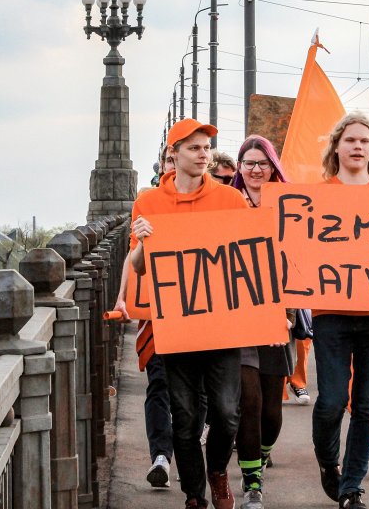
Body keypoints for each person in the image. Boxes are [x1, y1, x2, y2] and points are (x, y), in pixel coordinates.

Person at [129, 118, 249, 509]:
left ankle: (217, 472)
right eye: (194, 148)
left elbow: (249, 258)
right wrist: (143, 241)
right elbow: (139, 265)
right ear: (174, 153)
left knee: (228, 413)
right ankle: (194, 494)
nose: (203, 155)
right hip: (176, 325)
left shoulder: (230, 200)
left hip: (222, 325)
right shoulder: (148, 203)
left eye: (207, 148)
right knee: (183, 416)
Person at [311, 112, 369, 509]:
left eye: (365, 141)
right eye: (350, 140)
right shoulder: (316, 196)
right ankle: (330, 463)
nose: (358, 146)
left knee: (366, 405)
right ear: (337, 147)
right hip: (332, 313)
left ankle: (351, 487)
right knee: (330, 401)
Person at [231, 135, 294, 509]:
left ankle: (263, 450)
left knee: (271, 409)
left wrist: (287, 315)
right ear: (240, 168)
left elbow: (302, 263)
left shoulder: (291, 206)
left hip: (277, 318)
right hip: (237, 318)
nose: (256, 170)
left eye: (263, 163)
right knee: (249, 402)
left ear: (273, 167)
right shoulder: (226, 204)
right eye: (249, 163)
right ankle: (252, 479)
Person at [115, 145, 179, 488]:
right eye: (168, 160)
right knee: (159, 382)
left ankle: (186, 450)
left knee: (194, 392)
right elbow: (131, 257)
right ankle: (160, 456)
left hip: (199, 317)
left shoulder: (212, 200)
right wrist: (123, 297)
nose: (172, 167)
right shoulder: (149, 204)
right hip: (157, 310)